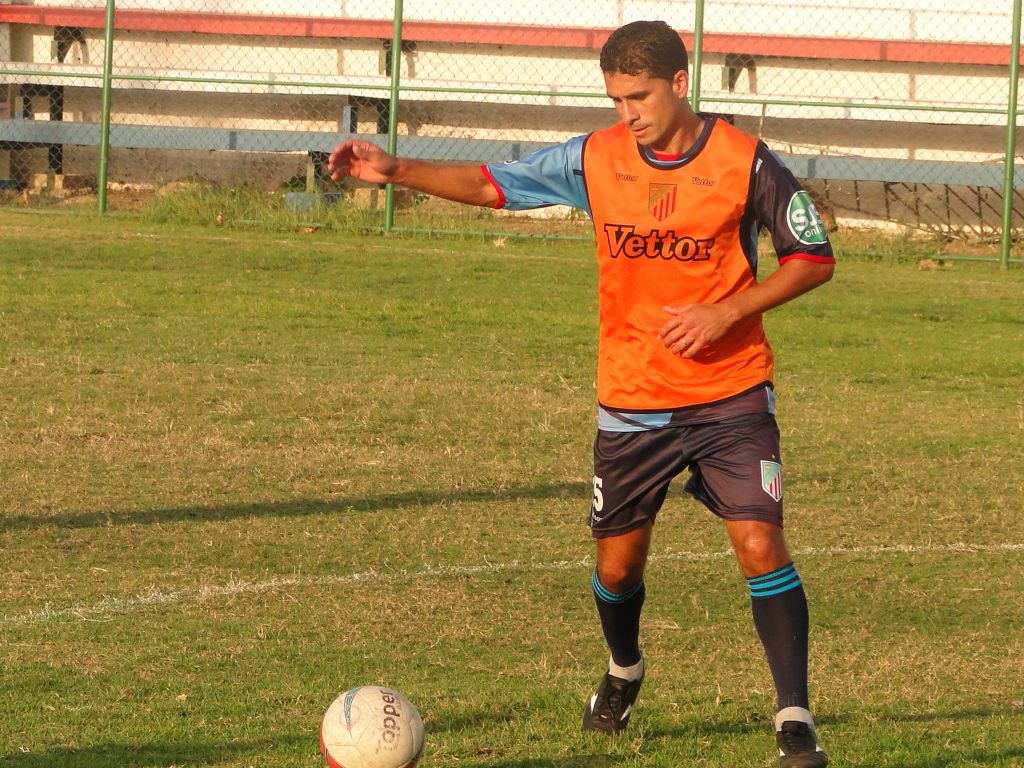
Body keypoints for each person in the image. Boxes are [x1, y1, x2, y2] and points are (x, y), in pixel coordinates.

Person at [328, 19, 835, 768]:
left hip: (730, 395)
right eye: (616, 98)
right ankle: (625, 670)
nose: (627, 113)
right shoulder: (595, 159)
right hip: (632, 400)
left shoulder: (744, 162)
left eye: (640, 96)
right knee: (616, 569)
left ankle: (796, 723)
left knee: (760, 543)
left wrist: (728, 311)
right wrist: (396, 170)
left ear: (680, 84)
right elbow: (492, 184)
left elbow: (813, 257)